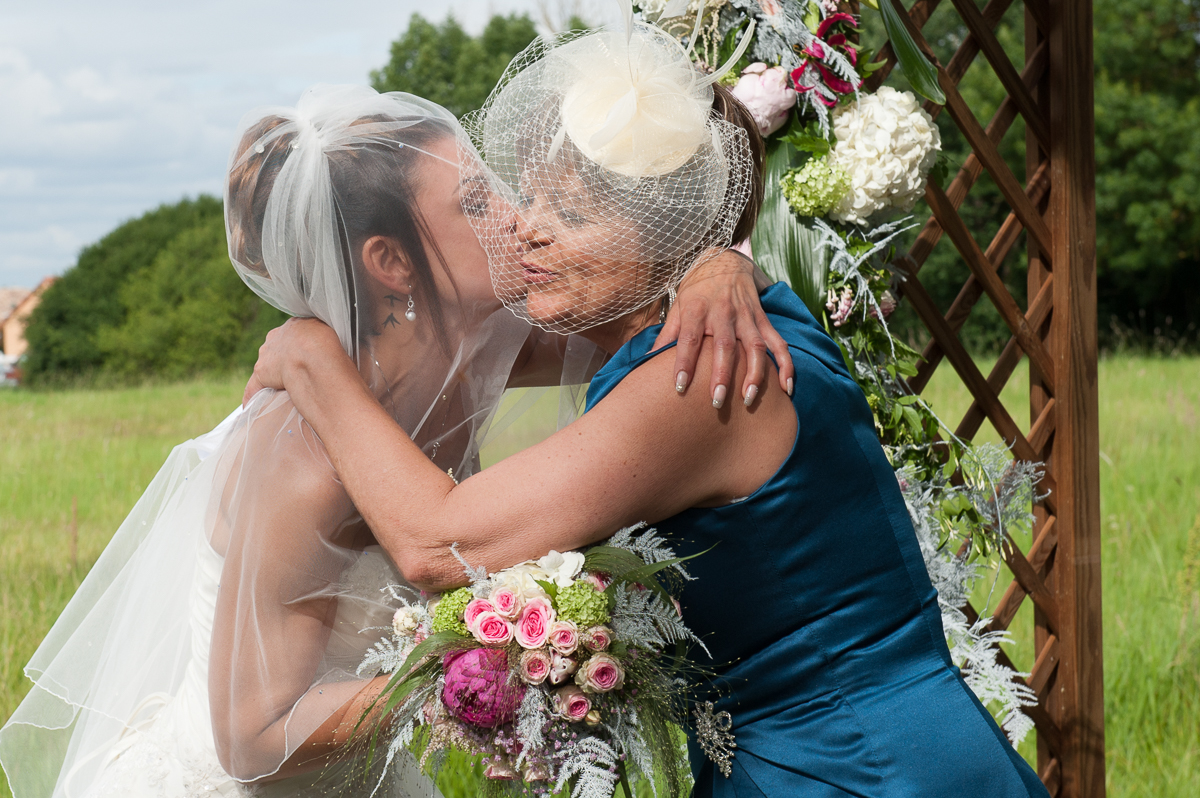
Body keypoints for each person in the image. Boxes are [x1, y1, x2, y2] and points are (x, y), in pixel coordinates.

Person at [244, 22, 1053, 798]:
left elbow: (436, 544)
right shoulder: (725, 312)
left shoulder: (700, 374)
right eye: (531, 199)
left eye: (572, 216)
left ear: (667, 234)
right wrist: (719, 262)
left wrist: (312, 359)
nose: (525, 229)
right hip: (829, 752)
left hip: (862, 764)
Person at [0, 85, 788, 798]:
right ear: (389, 263)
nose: (518, 216)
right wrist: (483, 665)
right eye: (478, 203)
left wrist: (718, 266)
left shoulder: (487, 346)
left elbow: (642, 301)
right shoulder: (303, 460)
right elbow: (249, 736)